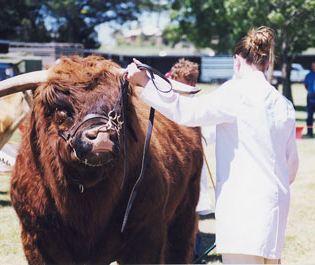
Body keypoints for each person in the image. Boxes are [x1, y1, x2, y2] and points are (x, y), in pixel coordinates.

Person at [125, 26, 299, 264]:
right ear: (266, 65)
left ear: (237, 61)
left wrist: (144, 82)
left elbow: (188, 111)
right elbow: (291, 169)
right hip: (276, 208)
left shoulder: (236, 92)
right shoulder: (284, 104)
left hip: (243, 209)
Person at [169, 58, 214, 262]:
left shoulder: (198, 106)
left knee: (190, 208)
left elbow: (209, 135)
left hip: (192, 166)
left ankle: (194, 253)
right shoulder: (164, 101)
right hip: (170, 165)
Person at [303, 60, 315, 138]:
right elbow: (305, 85)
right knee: (309, 116)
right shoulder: (308, 75)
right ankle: (309, 133)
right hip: (311, 98)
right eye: (313, 65)